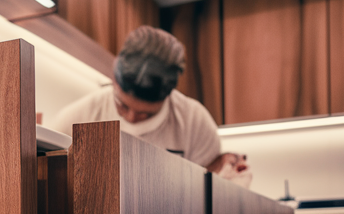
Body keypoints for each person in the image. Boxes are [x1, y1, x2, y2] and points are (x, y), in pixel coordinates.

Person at [51, 26, 250, 183]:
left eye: (145, 114)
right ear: (114, 79)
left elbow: (206, 195)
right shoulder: (74, 120)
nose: (131, 118)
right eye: (122, 105)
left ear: (168, 95)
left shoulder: (195, 124)